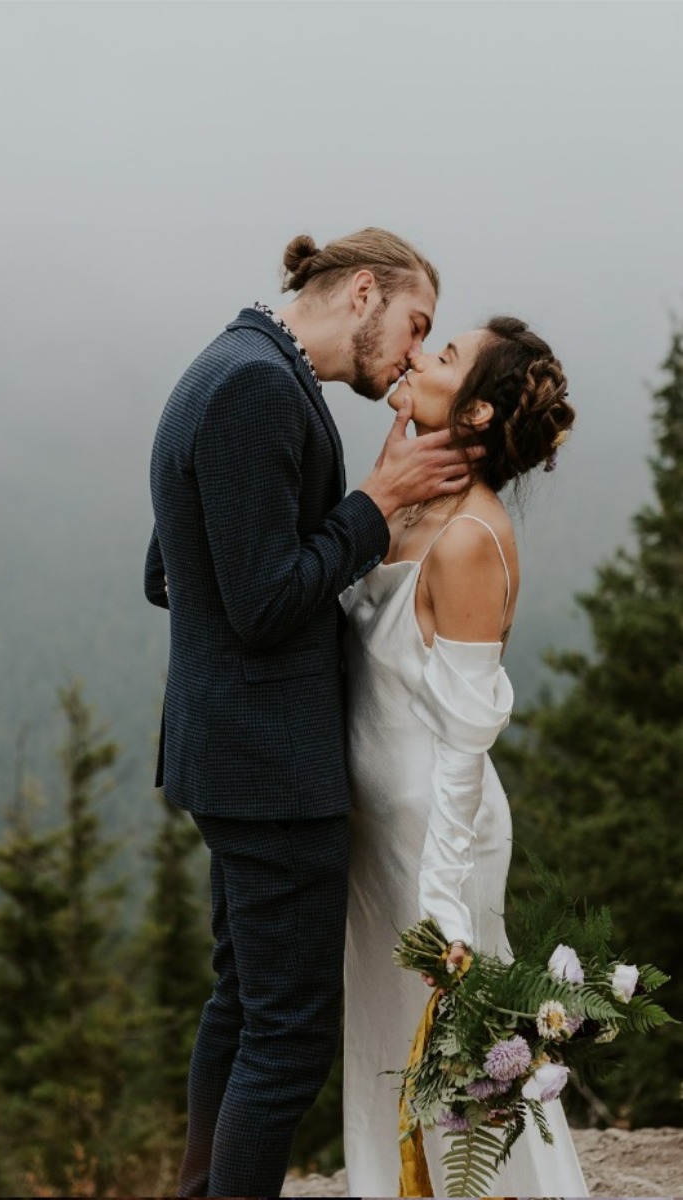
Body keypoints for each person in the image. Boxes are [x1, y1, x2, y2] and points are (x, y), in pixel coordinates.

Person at [144, 227, 483, 1198]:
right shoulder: (257, 389)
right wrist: (375, 503)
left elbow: (170, 569)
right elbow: (256, 604)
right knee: (288, 1038)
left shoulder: (233, 362)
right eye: (417, 325)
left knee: (244, 1006)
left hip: (232, 756)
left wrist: (344, 527)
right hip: (272, 769)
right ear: (364, 292)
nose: (417, 353)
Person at [341, 316, 589, 1195]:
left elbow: (466, 733)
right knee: (383, 1048)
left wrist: (443, 902)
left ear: (477, 414)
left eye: (442, 356)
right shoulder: (413, 506)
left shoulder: (469, 540)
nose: (416, 354)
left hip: (436, 842)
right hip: (378, 839)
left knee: (467, 1065)